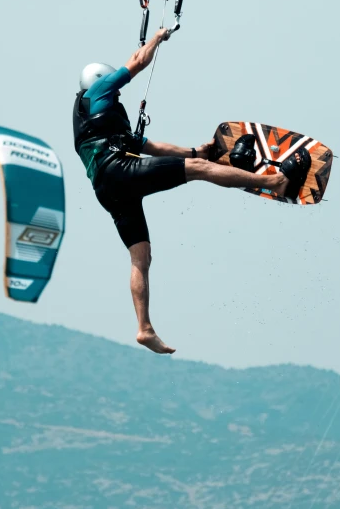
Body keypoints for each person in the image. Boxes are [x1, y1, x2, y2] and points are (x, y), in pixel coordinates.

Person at [73, 29, 309, 355]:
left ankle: (144, 328)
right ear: (99, 79)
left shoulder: (99, 122)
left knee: (140, 257)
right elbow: (137, 61)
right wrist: (157, 38)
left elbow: (153, 147)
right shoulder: (97, 92)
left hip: (106, 189)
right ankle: (277, 182)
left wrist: (195, 150)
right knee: (198, 173)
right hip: (119, 171)